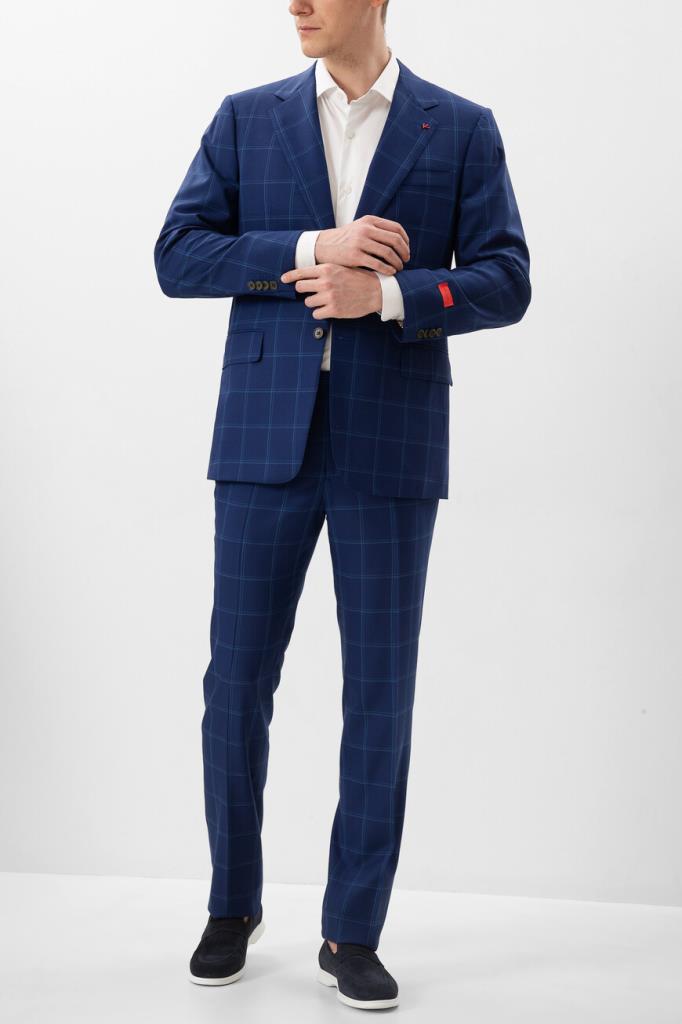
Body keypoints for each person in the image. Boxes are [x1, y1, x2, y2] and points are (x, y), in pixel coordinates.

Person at [153, 0, 530, 1010]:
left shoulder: (460, 127)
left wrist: (391, 298)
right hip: (261, 442)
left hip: (390, 444)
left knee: (379, 694)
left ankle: (351, 930)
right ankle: (231, 903)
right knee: (235, 683)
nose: (297, 3)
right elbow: (178, 255)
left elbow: (507, 278)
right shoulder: (247, 117)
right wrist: (315, 248)